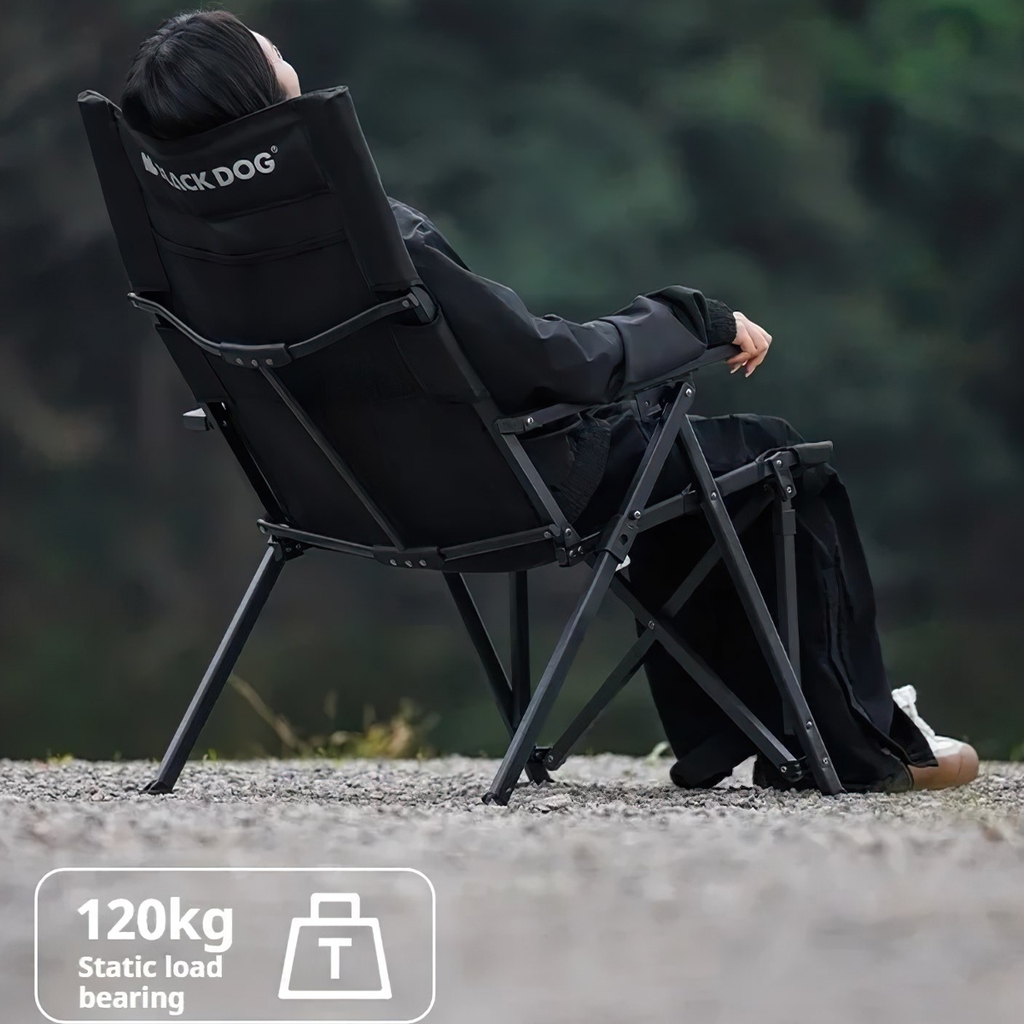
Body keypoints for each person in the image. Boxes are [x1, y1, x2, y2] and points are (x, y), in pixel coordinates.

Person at [119, 9, 979, 793]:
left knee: (686, 461)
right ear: (256, 88)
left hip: (341, 503)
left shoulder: (193, 261)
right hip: (520, 491)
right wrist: (690, 320)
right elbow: (550, 364)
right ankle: (861, 739)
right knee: (770, 459)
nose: (283, 50)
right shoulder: (369, 238)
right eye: (265, 47)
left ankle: (734, 733)